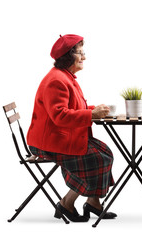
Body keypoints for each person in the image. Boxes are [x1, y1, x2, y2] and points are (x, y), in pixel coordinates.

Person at [27, 34, 116, 222]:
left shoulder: (66, 77)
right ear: (69, 56)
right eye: (80, 53)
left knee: (104, 152)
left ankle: (93, 202)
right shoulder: (56, 80)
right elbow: (60, 115)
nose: (84, 57)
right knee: (97, 158)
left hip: (59, 136)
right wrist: (91, 115)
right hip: (47, 142)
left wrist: (95, 110)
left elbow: (73, 108)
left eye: (84, 52)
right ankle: (66, 203)